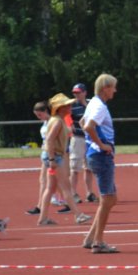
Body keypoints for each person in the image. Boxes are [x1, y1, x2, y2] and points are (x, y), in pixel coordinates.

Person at [37, 94, 91, 226]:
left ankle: (43, 218)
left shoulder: (56, 119)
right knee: (66, 187)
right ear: (60, 108)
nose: (70, 106)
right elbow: (49, 139)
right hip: (55, 156)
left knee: (50, 188)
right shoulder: (57, 121)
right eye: (67, 105)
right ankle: (78, 215)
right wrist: (52, 160)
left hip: (53, 156)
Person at [81, 73, 120, 253]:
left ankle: (90, 238)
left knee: (111, 199)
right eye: (113, 87)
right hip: (101, 156)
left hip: (96, 154)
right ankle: (98, 242)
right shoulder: (99, 106)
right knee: (106, 199)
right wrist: (101, 144)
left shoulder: (93, 103)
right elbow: (88, 126)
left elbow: (82, 122)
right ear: (105, 88)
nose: (115, 90)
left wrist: (93, 142)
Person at [68, 83, 98, 203]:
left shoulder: (92, 103)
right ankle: (73, 193)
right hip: (78, 138)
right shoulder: (71, 105)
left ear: (85, 92)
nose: (76, 94)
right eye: (74, 93)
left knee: (89, 167)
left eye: (78, 92)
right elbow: (66, 118)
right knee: (75, 168)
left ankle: (89, 193)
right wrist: (70, 126)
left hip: (90, 139)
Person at [25, 101, 51, 216]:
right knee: (43, 180)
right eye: (37, 115)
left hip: (52, 155)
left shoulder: (53, 122)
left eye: (40, 114)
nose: (38, 117)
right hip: (46, 154)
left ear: (46, 111)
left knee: (60, 183)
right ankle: (39, 206)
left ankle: (72, 206)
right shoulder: (45, 122)